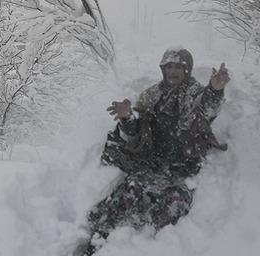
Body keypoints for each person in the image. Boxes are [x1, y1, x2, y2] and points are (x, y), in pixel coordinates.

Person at [75, 47, 230, 255]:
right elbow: (137, 131)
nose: (173, 71)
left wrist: (215, 89)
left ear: (187, 70)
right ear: (163, 70)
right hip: (152, 163)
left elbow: (208, 108)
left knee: (174, 202)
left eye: (178, 67)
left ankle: (147, 245)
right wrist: (127, 117)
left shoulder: (195, 93)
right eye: (169, 67)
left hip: (183, 168)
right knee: (128, 191)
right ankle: (97, 240)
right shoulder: (151, 95)